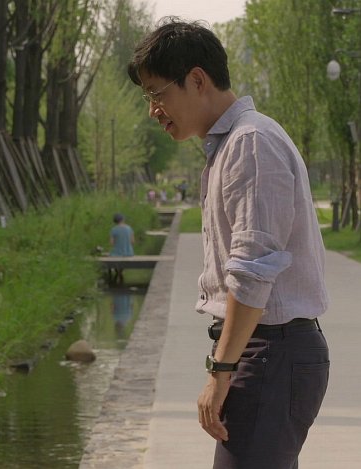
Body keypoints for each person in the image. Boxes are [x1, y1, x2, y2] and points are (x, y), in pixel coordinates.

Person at [128, 19, 329, 468]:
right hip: (265, 352)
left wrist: (220, 372)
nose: (153, 110)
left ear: (197, 80)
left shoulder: (250, 144)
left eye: (157, 94)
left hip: (272, 353)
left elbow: (253, 270)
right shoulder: (232, 146)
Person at [109, 213, 135, 284]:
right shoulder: (129, 228)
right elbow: (132, 241)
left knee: (112, 255)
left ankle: (117, 272)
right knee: (124, 257)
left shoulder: (113, 230)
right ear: (123, 219)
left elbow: (111, 243)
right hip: (129, 252)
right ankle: (120, 272)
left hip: (117, 253)